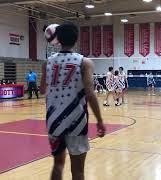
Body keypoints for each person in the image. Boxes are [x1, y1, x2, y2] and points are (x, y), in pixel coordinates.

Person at [40, 22, 106, 180]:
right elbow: (90, 94)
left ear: (58, 39)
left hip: (54, 121)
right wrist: (99, 121)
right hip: (76, 121)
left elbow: (42, 90)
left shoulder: (47, 63)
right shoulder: (84, 62)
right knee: (78, 171)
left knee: (57, 164)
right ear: (76, 40)